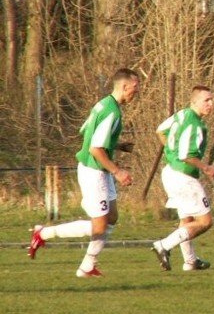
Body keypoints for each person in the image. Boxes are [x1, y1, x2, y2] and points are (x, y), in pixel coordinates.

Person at [27, 68, 139, 277]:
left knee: (111, 217)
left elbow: (86, 131)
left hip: (99, 170)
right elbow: (94, 148)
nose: (136, 91)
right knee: (100, 223)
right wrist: (118, 172)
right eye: (135, 87)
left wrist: (116, 144)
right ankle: (45, 234)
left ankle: (88, 265)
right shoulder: (112, 112)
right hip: (94, 171)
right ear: (124, 87)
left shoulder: (103, 104)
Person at [151, 85, 214, 272]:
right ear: (194, 101)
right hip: (183, 177)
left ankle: (190, 261)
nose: (211, 103)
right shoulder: (194, 123)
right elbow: (185, 154)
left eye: (211, 99)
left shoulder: (182, 114)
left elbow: (159, 130)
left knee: (187, 220)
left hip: (170, 172)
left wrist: (170, 152)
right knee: (205, 222)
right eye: (206, 100)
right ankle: (163, 245)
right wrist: (206, 168)